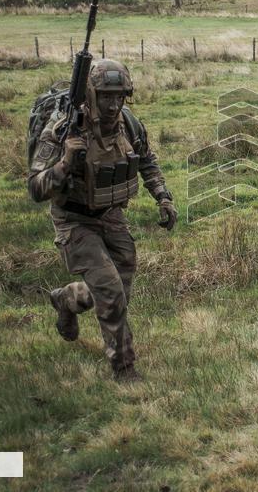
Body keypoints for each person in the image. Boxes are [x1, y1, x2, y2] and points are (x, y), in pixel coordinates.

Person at [28, 59, 177, 381]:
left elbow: (146, 161)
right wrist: (66, 162)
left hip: (112, 216)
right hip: (74, 219)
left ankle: (67, 299)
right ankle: (124, 368)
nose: (113, 105)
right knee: (110, 294)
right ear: (91, 94)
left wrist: (163, 196)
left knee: (118, 292)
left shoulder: (129, 125)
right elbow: (35, 188)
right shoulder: (62, 129)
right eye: (106, 97)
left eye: (119, 96)